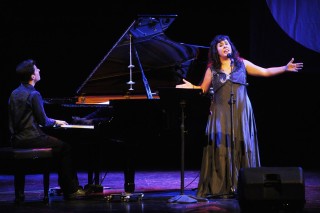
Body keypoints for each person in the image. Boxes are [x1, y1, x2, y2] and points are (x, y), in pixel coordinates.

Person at [176, 35, 303, 198]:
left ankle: (245, 184)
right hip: (220, 111)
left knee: (242, 144)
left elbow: (265, 72)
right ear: (216, 50)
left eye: (226, 44)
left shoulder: (241, 63)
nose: (224, 46)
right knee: (223, 147)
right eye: (220, 45)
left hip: (242, 110)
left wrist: (284, 68)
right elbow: (203, 89)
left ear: (231, 47)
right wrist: (191, 87)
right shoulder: (212, 69)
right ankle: (222, 185)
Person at [8, 59, 87, 201]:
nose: (39, 71)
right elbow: (43, 121)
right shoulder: (34, 94)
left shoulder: (14, 93)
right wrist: (57, 121)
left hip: (17, 139)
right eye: (37, 69)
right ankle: (71, 190)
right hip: (31, 138)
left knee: (58, 146)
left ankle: (21, 194)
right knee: (65, 147)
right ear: (32, 76)